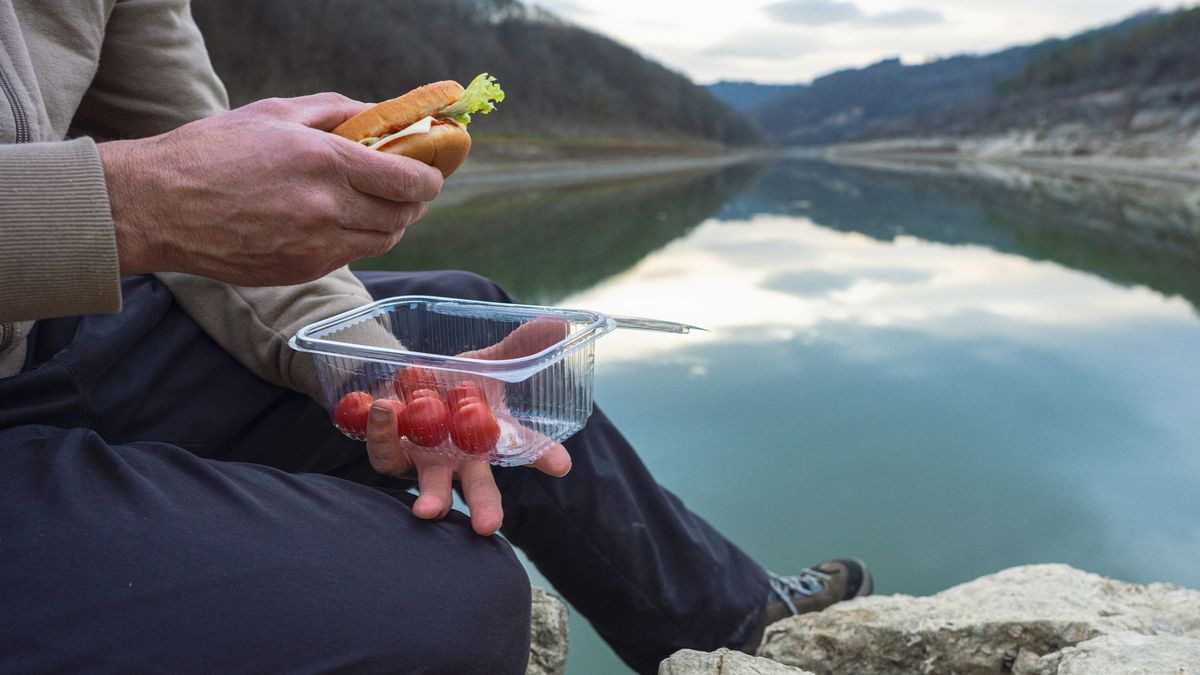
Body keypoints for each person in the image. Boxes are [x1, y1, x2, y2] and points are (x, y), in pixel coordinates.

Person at [0, 1, 871, 672]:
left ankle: (732, 626)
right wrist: (124, 209)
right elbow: (159, 195)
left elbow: (192, 175)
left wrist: (377, 368)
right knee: (453, 604)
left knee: (466, 332)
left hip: (45, 327)